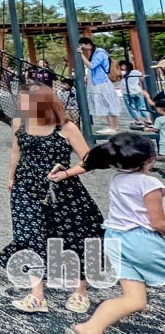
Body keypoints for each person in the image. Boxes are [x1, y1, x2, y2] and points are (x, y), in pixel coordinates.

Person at [1, 84, 104, 315]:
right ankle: (37, 295)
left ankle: (80, 291)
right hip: (26, 188)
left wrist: (66, 173)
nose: (21, 105)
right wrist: (11, 177)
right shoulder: (20, 123)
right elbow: (15, 151)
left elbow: (89, 159)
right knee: (29, 237)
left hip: (62, 189)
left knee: (73, 237)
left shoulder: (65, 127)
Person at [49, 132, 165, 334]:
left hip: (114, 240)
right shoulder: (150, 184)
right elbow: (158, 222)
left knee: (134, 300)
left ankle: (91, 327)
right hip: (141, 240)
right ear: (150, 160)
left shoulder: (117, 178)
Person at [79, 37, 120, 134]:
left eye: (83, 45)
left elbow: (91, 66)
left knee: (107, 104)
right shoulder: (96, 53)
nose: (82, 48)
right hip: (100, 81)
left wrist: (81, 55)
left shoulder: (99, 53)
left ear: (89, 44)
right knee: (108, 103)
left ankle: (112, 127)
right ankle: (113, 126)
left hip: (101, 82)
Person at [119, 61, 154, 127]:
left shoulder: (122, 73)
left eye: (122, 65)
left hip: (127, 92)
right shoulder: (136, 72)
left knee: (131, 107)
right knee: (142, 105)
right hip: (137, 90)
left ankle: (138, 121)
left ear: (124, 66)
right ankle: (148, 119)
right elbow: (142, 78)